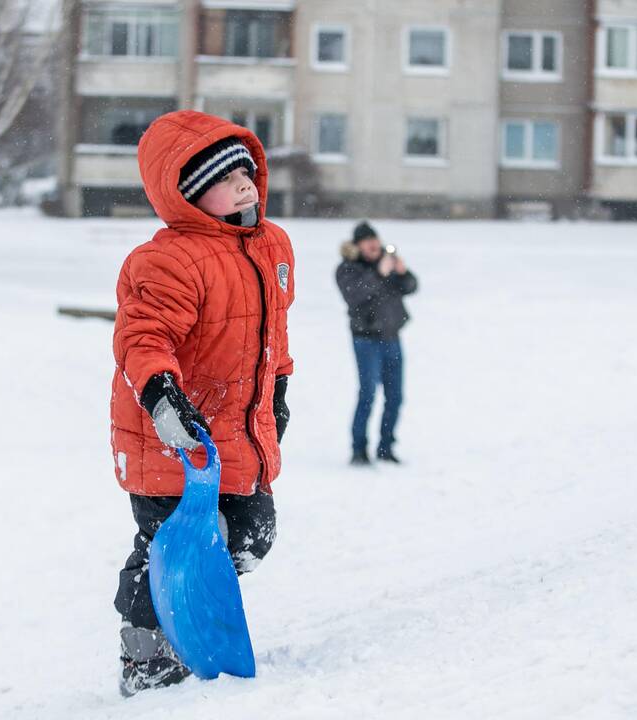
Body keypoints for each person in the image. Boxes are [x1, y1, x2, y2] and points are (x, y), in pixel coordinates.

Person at [109, 110, 295, 696]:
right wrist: (165, 401)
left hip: (237, 435)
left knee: (252, 531)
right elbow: (143, 338)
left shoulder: (271, 246)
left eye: (244, 170)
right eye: (222, 178)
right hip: (172, 438)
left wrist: (279, 390)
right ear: (188, 197)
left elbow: (274, 333)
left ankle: (184, 605)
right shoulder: (168, 259)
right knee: (172, 543)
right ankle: (147, 647)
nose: (242, 183)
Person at [335, 221, 418, 465]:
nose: (374, 245)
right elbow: (355, 295)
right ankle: (359, 449)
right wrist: (378, 273)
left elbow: (412, 287)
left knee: (395, 396)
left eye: (376, 240)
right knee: (368, 394)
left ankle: (387, 446)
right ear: (357, 246)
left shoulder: (387, 263)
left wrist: (402, 272)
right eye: (368, 241)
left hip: (392, 337)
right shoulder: (348, 269)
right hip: (366, 340)